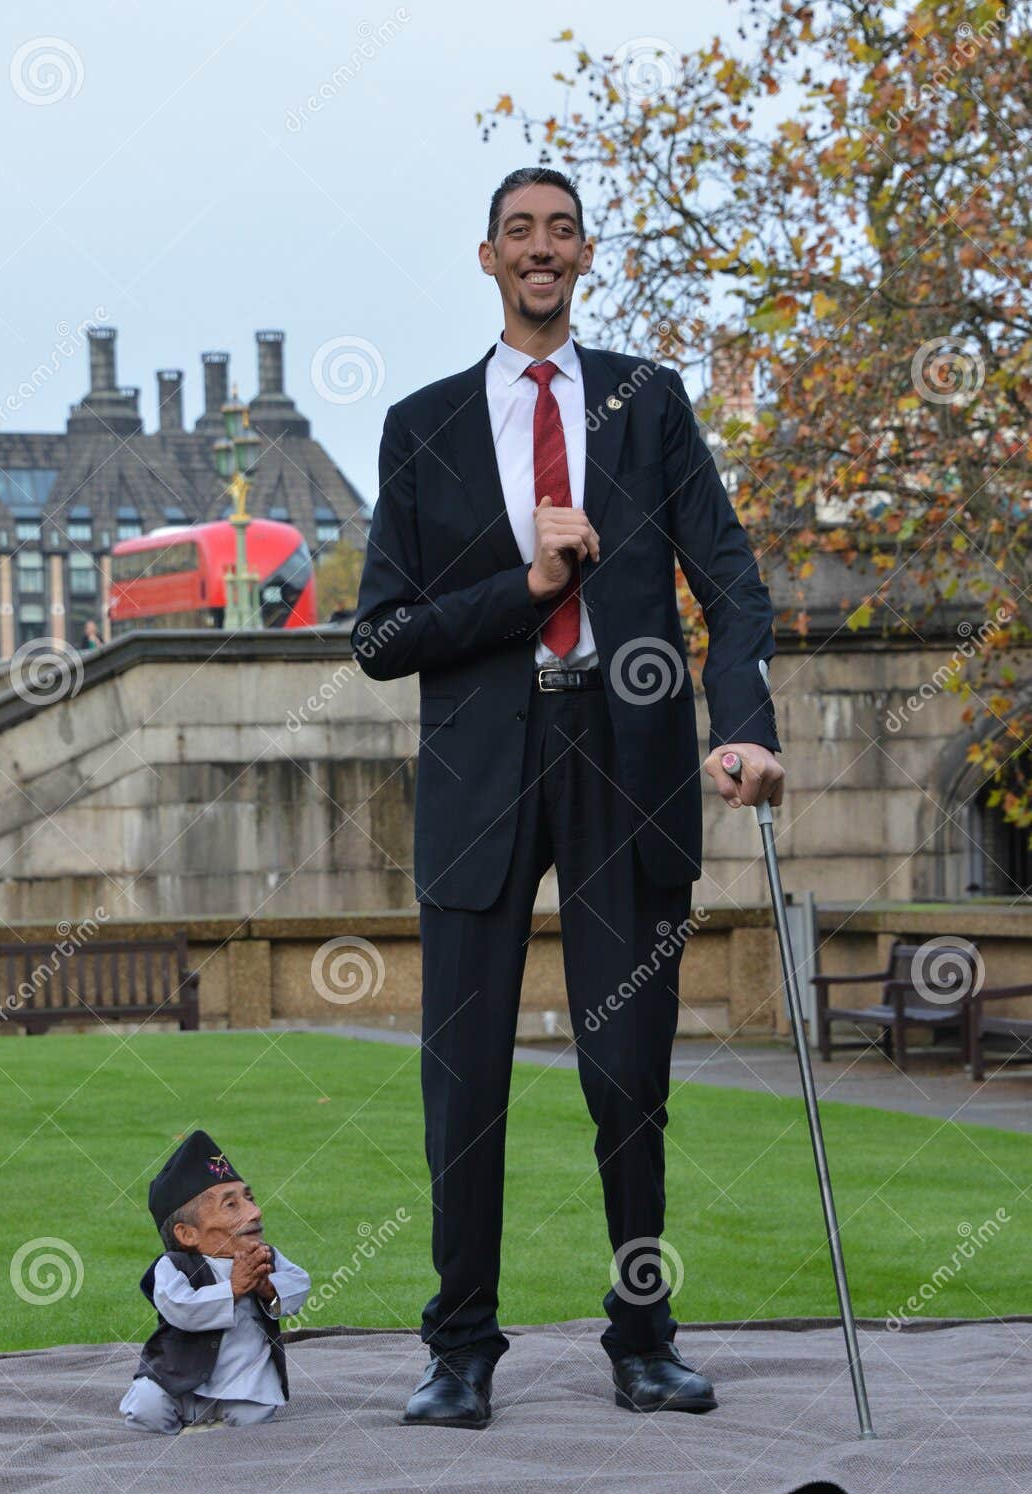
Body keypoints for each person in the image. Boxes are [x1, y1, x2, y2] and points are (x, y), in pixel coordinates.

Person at [352, 167, 784, 1429]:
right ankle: (460, 1350)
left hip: (629, 762)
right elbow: (380, 637)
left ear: (584, 255)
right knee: (465, 1078)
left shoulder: (648, 403)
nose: (541, 250)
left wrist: (744, 725)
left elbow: (735, 582)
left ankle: (643, 1340)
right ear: (486, 258)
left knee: (628, 1073)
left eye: (561, 231)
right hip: (482, 774)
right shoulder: (422, 425)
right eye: (519, 233)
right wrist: (532, 587)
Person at [119, 1130, 310, 1434]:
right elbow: (179, 1308)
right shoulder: (174, 1266)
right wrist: (232, 1290)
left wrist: (268, 1289)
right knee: (146, 1410)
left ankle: (219, 1433)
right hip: (175, 1378)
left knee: (253, 1421)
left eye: (250, 1198)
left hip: (245, 1381)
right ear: (187, 1234)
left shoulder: (265, 1256)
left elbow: (299, 1283)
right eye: (231, 1205)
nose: (256, 1212)